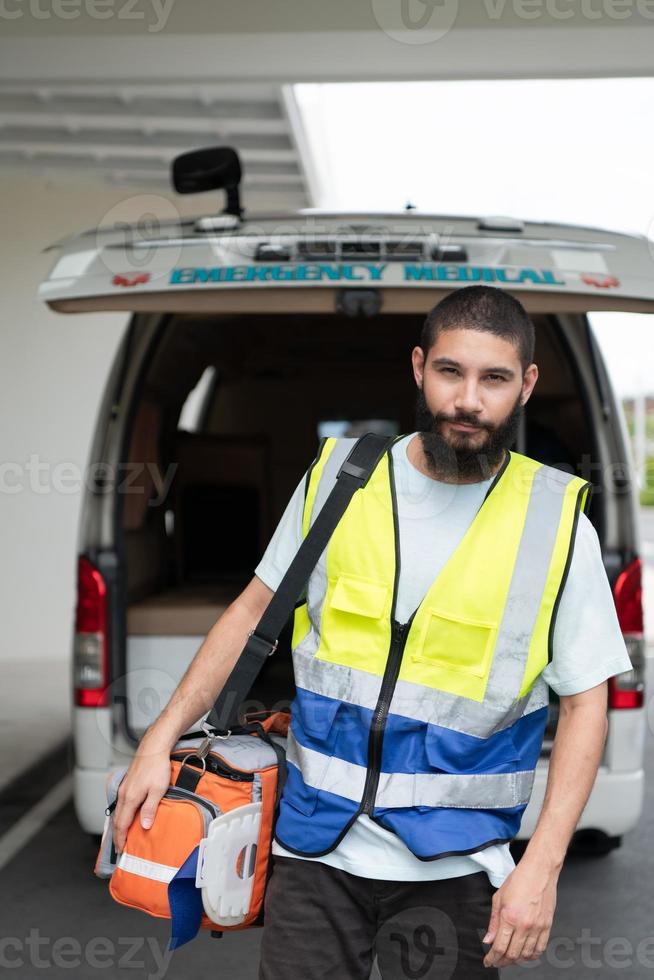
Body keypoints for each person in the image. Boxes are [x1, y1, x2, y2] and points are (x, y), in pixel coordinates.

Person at [113, 285, 633, 978]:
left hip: (458, 868)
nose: (469, 400)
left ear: (526, 385)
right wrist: (157, 742)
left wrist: (541, 866)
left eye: (495, 378)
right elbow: (248, 613)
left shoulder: (557, 522)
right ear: (420, 367)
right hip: (314, 854)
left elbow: (584, 701)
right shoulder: (338, 479)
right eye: (451, 371)